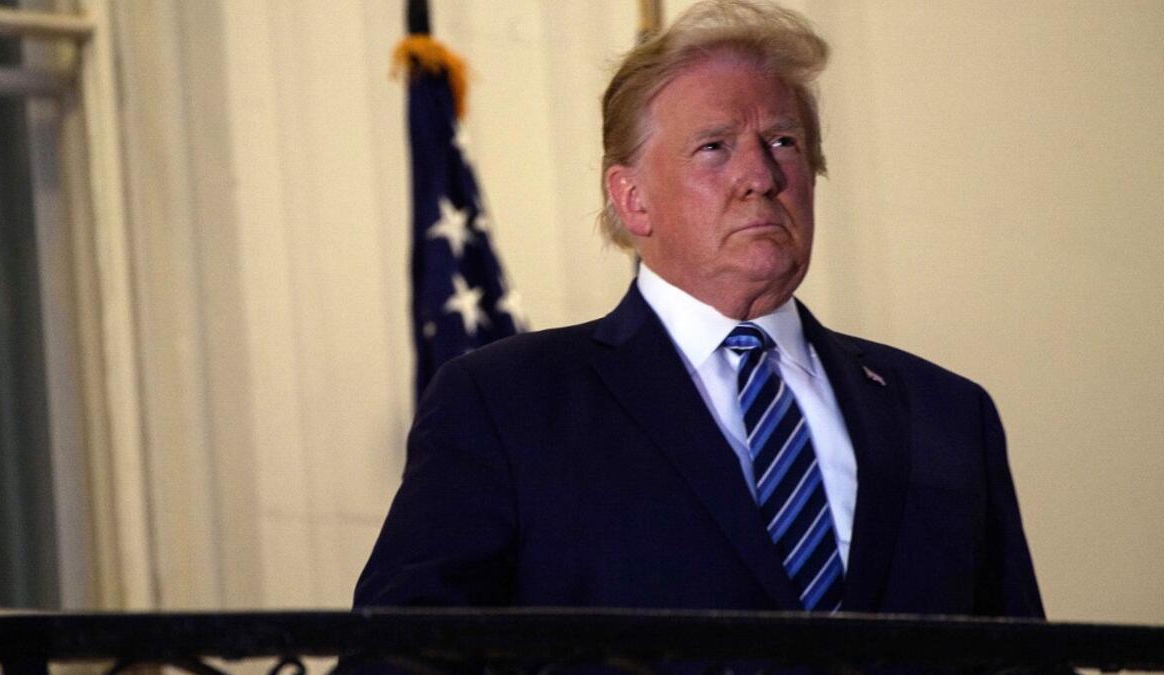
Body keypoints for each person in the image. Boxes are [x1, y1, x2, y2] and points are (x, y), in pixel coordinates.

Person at [354, 0, 1043, 618]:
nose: (761, 177)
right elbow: (405, 653)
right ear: (632, 199)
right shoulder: (506, 402)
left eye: (784, 142)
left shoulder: (946, 413)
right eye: (716, 147)